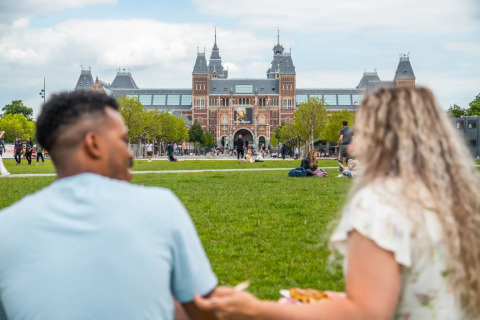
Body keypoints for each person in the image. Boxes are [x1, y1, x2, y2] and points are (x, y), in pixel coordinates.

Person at [195, 87, 480, 319]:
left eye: (363, 131)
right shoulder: (460, 201)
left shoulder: (382, 203)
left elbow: (366, 313)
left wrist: (256, 309)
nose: (352, 145)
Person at [0, 91, 218, 320]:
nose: (129, 154)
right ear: (93, 144)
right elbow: (204, 313)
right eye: (123, 140)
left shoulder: (5, 228)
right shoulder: (162, 208)